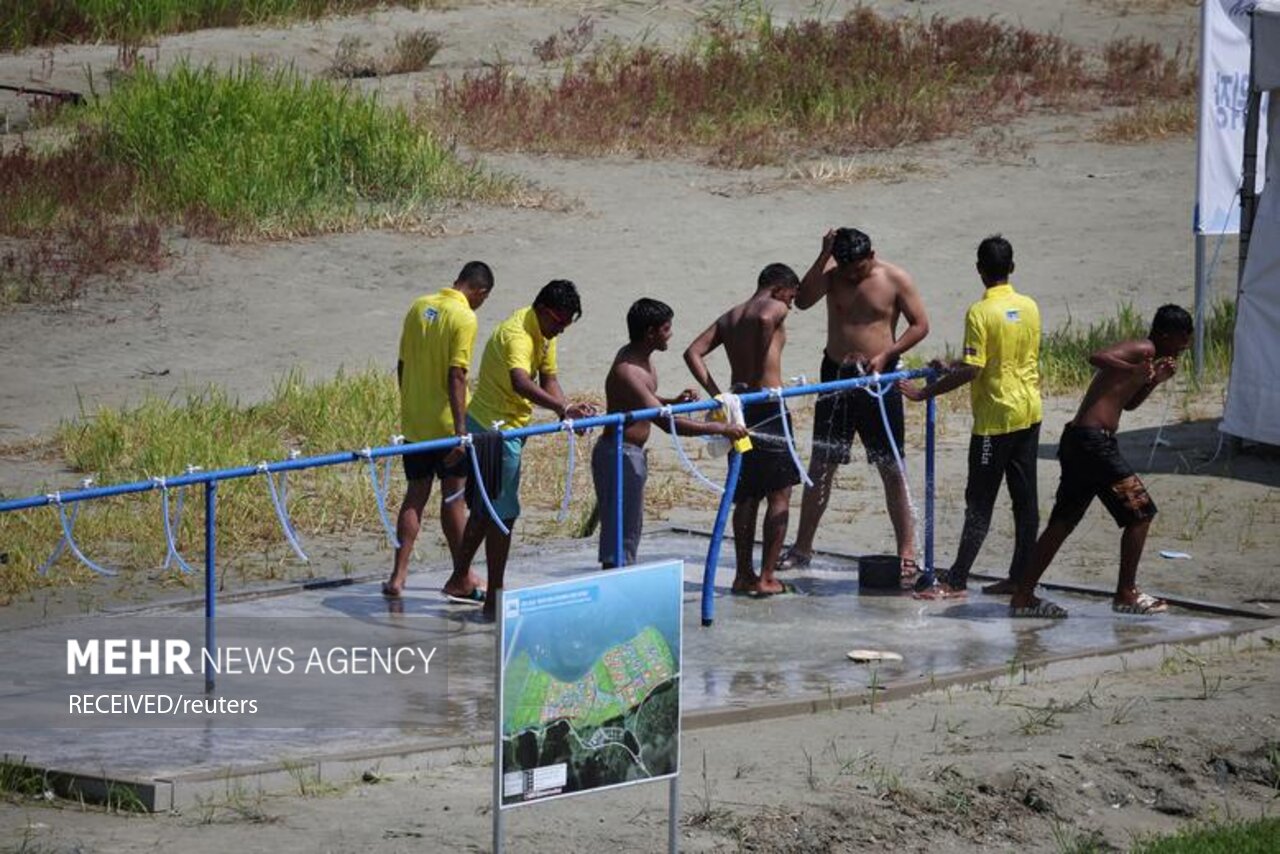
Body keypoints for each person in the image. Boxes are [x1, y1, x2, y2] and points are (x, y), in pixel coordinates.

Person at [1009, 305, 1193, 618]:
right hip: (1093, 444)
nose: (1185, 346)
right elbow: (1095, 356)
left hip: (1083, 442)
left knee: (1063, 522)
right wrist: (1132, 369)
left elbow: (1129, 403)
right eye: (1182, 340)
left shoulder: (1148, 359)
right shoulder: (1142, 348)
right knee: (1141, 512)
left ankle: (1023, 596)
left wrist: (1153, 380)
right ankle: (1126, 593)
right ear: (1165, 335)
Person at [781, 228, 929, 577]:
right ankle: (802, 548)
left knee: (891, 467)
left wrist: (888, 353)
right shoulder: (832, 277)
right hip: (837, 376)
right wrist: (823, 256)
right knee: (821, 465)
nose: (852, 275)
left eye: (858, 268)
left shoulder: (894, 278)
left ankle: (906, 553)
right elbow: (802, 301)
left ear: (872, 255)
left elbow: (920, 325)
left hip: (880, 379)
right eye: (845, 268)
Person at [899, 236, 1042, 598]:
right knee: (1025, 502)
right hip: (1030, 413)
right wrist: (950, 365)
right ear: (1012, 267)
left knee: (979, 500)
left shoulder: (980, 313)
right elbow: (993, 359)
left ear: (979, 270)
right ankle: (1020, 577)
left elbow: (974, 371)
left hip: (995, 422)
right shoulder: (1029, 306)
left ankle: (957, 580)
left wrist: (924, 393)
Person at [453, 279, 595, 620]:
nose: (561, 331)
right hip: (493, 430)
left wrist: (569, 411)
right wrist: (561, 410)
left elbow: (548, 378)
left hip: (512, 426)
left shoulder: (545, 334)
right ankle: (494, 600)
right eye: (559, 323)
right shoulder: (516, 334)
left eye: (566, 325)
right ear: (545, 311)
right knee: (504, 516)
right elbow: (521, 381)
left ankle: (458, 577)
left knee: (487, 511)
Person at [593, 299, 749, 569]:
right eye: (666, 329)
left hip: (631, 454)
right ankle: (615, 586)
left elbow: (646, 402)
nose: (671, 334)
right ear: (650, 333)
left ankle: (621, 576)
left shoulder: (643, 360)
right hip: (618, 454)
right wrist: (721, 428)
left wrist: (675, 401)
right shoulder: (628, 370)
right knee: (620, 533)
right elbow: (667, 424)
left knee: (630, 528)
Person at [684, 264, 803, 597]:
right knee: (780, 494)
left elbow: (692, 352)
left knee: (746, 494)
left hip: (739, 410)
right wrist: (753, 375)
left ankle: (742, 574)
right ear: (780, 288)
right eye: (792, 297)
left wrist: (718, 393)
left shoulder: (731, 316)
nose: (790, 306)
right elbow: (767, 319)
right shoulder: (773, 307)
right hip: (767, 408)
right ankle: (766, 577)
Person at [383, 261, 494, 600]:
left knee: (415, 496)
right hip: (447, 427)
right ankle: (463, 575)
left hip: (415, 423)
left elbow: (401, 364)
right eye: (483, 300)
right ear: (480, 291)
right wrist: (461, 432)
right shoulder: (465, 317)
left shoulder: (419, 306)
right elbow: (457, 374)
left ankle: (398, 577)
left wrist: (411, 404)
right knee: (454, 499)